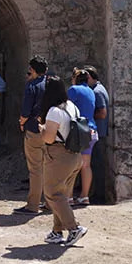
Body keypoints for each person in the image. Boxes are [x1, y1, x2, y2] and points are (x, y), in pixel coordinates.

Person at [37, 76, 87, 247]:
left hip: (59, 156)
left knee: (52, 193)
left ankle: (74, 228)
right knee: (62, 194)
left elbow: (49, 138)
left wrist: (41, 128)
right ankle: (57, 231)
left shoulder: (54, 111)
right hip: (75, 155)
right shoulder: (72, 106)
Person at [12, 56, 48, 215]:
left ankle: (33, 205)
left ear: (32, 70)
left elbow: (26, 110)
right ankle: (51, 202)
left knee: (35, 169)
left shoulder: (32, 86)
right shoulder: (52, 84)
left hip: (34, 130)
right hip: (52, 131)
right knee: (50, 168)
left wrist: (22, 122)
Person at [66, 67, 98, 206]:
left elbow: (66, 106)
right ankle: (84, 196)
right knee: (86, 165)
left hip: (79, 130)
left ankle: (68, 197)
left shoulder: (73, 90)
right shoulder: (91, 91)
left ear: (75, 79)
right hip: (92, 130)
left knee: (72, 165)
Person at [84, 64, 111, 204]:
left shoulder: (97, 92)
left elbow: (102, 112)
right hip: (98, 132)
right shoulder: (97, 90)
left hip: (98, 133)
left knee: (97, 164)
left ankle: (99, 195)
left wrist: (86, 115)